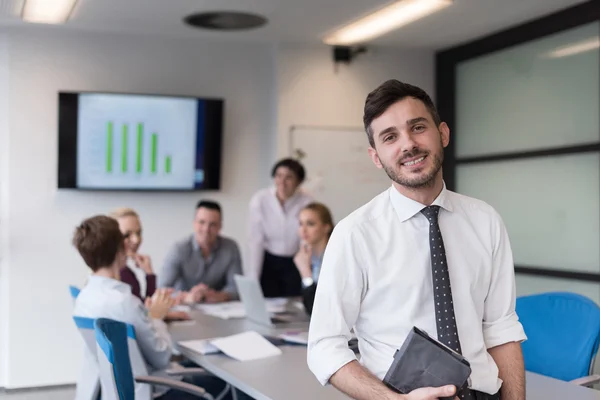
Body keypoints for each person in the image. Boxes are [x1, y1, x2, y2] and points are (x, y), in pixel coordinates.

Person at [307, 80, 526, 400]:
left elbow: (501, 330)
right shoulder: (355, 234)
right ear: (376, 156)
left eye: (418, 127)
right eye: (390, 137)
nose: (407, 144)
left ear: (443, 134)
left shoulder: (485, 221)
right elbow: (325, 346)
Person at [72, 215, 232, 400]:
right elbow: (162, 357)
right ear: (121, 249)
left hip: (112, 391)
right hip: (150, 391)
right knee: (223, 383)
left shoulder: (84, 298)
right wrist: (154, 317)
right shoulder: (125, 302)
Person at [247, 158, 313, 297]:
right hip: (269, 260)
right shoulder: (260, 199)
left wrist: (306, 267)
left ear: (298, 182)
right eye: (278, 175)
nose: (282, 182)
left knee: (295, 304)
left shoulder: (307, 200)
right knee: (268, 303)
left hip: (295, 260)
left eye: (289, 177)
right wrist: (253, 280)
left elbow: (306, 238)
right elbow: (256, 242)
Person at [159, 200, 242, 303]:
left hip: (218, 309)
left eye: (212, 224)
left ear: (220, 227)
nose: (206, 229)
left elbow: (237, 288)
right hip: (183, 307)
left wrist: (218, 296)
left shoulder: (231, 248)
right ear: (194, 223)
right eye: (201, 222)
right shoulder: (179, 249)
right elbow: (161, 289)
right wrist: (188, 296)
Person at [292, 202, 334, 315]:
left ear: (326, 227)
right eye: (301, 224)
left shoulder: (333, 258)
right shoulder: (307, 256)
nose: (303, 230)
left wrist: (306, 273)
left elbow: (319, 310)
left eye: (310, 224)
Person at [108, 207, 156, 301]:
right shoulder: (119, 273)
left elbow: (142, 306)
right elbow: (145, 310)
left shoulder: (124, 270)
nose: (136, 240)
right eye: (127, 235)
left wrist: (149, 273)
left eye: (138, 233)